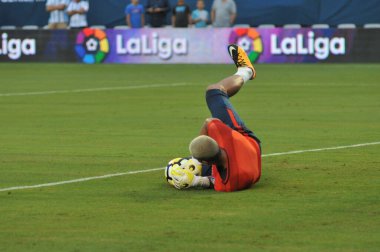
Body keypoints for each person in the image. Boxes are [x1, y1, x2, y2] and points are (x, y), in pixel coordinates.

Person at [168, 44, 261, 192]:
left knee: (178, 172)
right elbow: (209, 122)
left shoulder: (227, 185)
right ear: (218, 143)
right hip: (247, 143)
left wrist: (200, 180)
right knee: (214, 91)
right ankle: (245, 71)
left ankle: (247, 70)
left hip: (252, 158)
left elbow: (216, 180)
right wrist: (196, 161)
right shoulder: (228, 182)